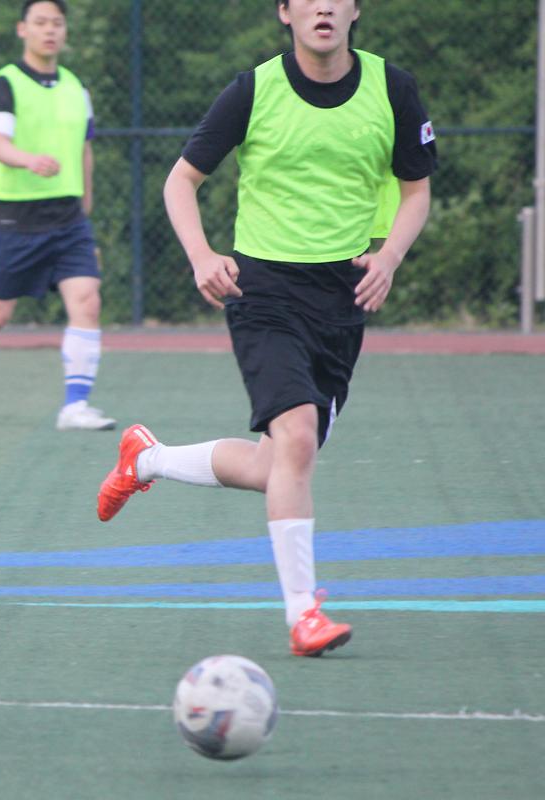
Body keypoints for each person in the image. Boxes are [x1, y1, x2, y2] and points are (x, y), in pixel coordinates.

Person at [97, 0, 436, 657]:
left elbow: (415, 190)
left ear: (355, 9)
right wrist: (202, 256)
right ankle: (303, 614)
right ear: (285, 12)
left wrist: (390, 256)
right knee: (298, 437)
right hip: (264, 291)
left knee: (278, 462)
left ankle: (147, 458)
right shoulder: (254, 89)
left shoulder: (393, 87)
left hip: (343, 296)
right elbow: (180, 181)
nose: (323, 7)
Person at [0, 0, 114, 431]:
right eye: (40, 22)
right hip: (16, 218)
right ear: (22, 29)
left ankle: (75, 406)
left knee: (87, 301)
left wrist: (85, 211)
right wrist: (29, 160)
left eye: (57, 23)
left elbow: (85, 151)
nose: (50, 30)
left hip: (69, 219)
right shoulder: (5, 84)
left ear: (65, 31)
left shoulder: (76, 88)